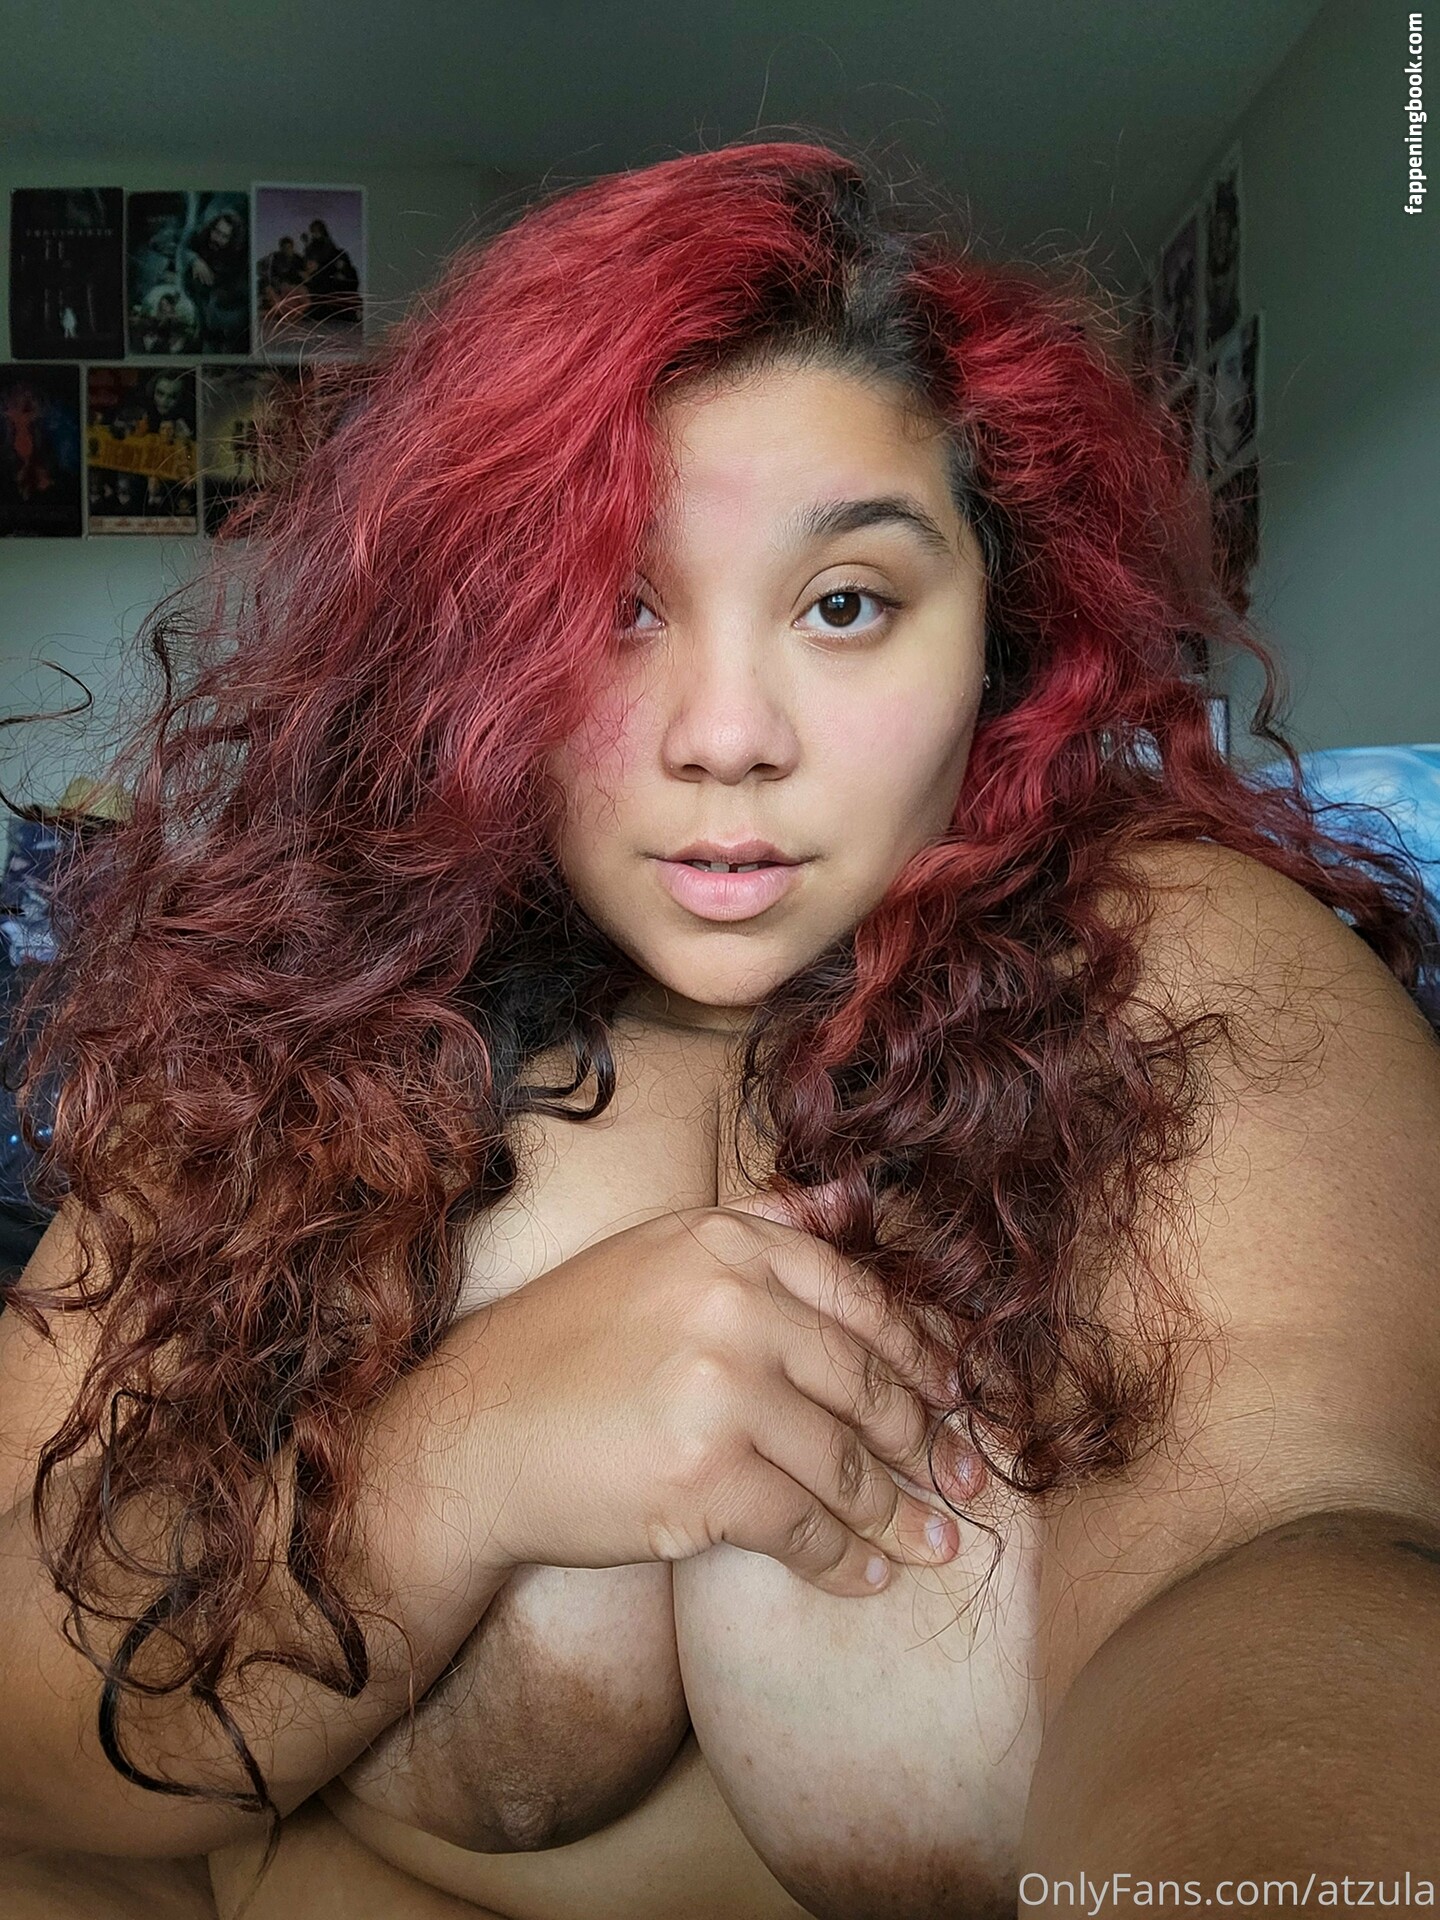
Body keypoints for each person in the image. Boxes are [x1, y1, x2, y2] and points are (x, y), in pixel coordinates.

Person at [0, 142, 1437, 1920]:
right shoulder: (287, 1032)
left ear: (998, 637)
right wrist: (459, 1460)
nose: (728, 734)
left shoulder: (1172, 971)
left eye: (845, 605)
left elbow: (1294, 1560)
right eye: (617, 607)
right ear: (475, 649)